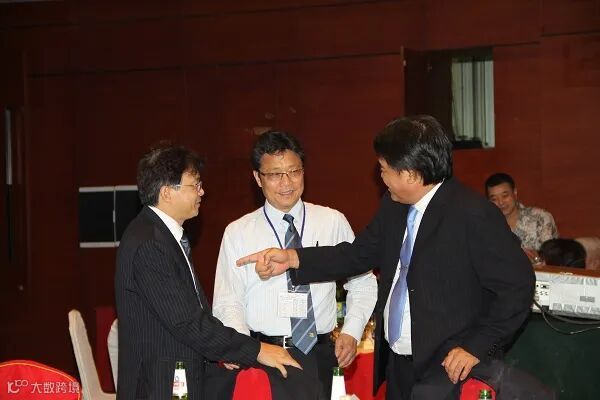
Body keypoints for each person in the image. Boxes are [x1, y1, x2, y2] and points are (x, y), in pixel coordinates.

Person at [237, 116, 536, 399]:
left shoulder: (472, 214)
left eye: (383, 169)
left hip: (448, 369)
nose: (381, 178)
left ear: (410, 174)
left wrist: (475, 346)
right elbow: (357, 254)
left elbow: (518, 286)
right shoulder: (394, 206)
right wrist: (293, 258)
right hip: (399, 366)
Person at [114, 143, 300, 400]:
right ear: (167, 192)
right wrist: (256, 350)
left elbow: (196, 313)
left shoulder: (161, 235)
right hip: (160, 385)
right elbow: (186, 322)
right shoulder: (150, 243)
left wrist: (229, 350)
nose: (202, 192)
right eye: (195, 185)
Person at [212, 131, 377, 399]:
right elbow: (227, 302)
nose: (286, 182)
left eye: (294, 171)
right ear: (258, 178)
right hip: (267, 357)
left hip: (323, 355)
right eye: (275, 174)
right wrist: (247, 352)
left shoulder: (331, 221)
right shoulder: (239, 232)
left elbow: (363, 282)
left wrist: (352, 331)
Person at [484, 172, 558, 260]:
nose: (501, 202)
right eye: (494, 199)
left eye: (505, 196)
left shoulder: (541, 218)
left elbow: (553, 258)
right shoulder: (486, 226)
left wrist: (537, 257)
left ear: (515, 193)